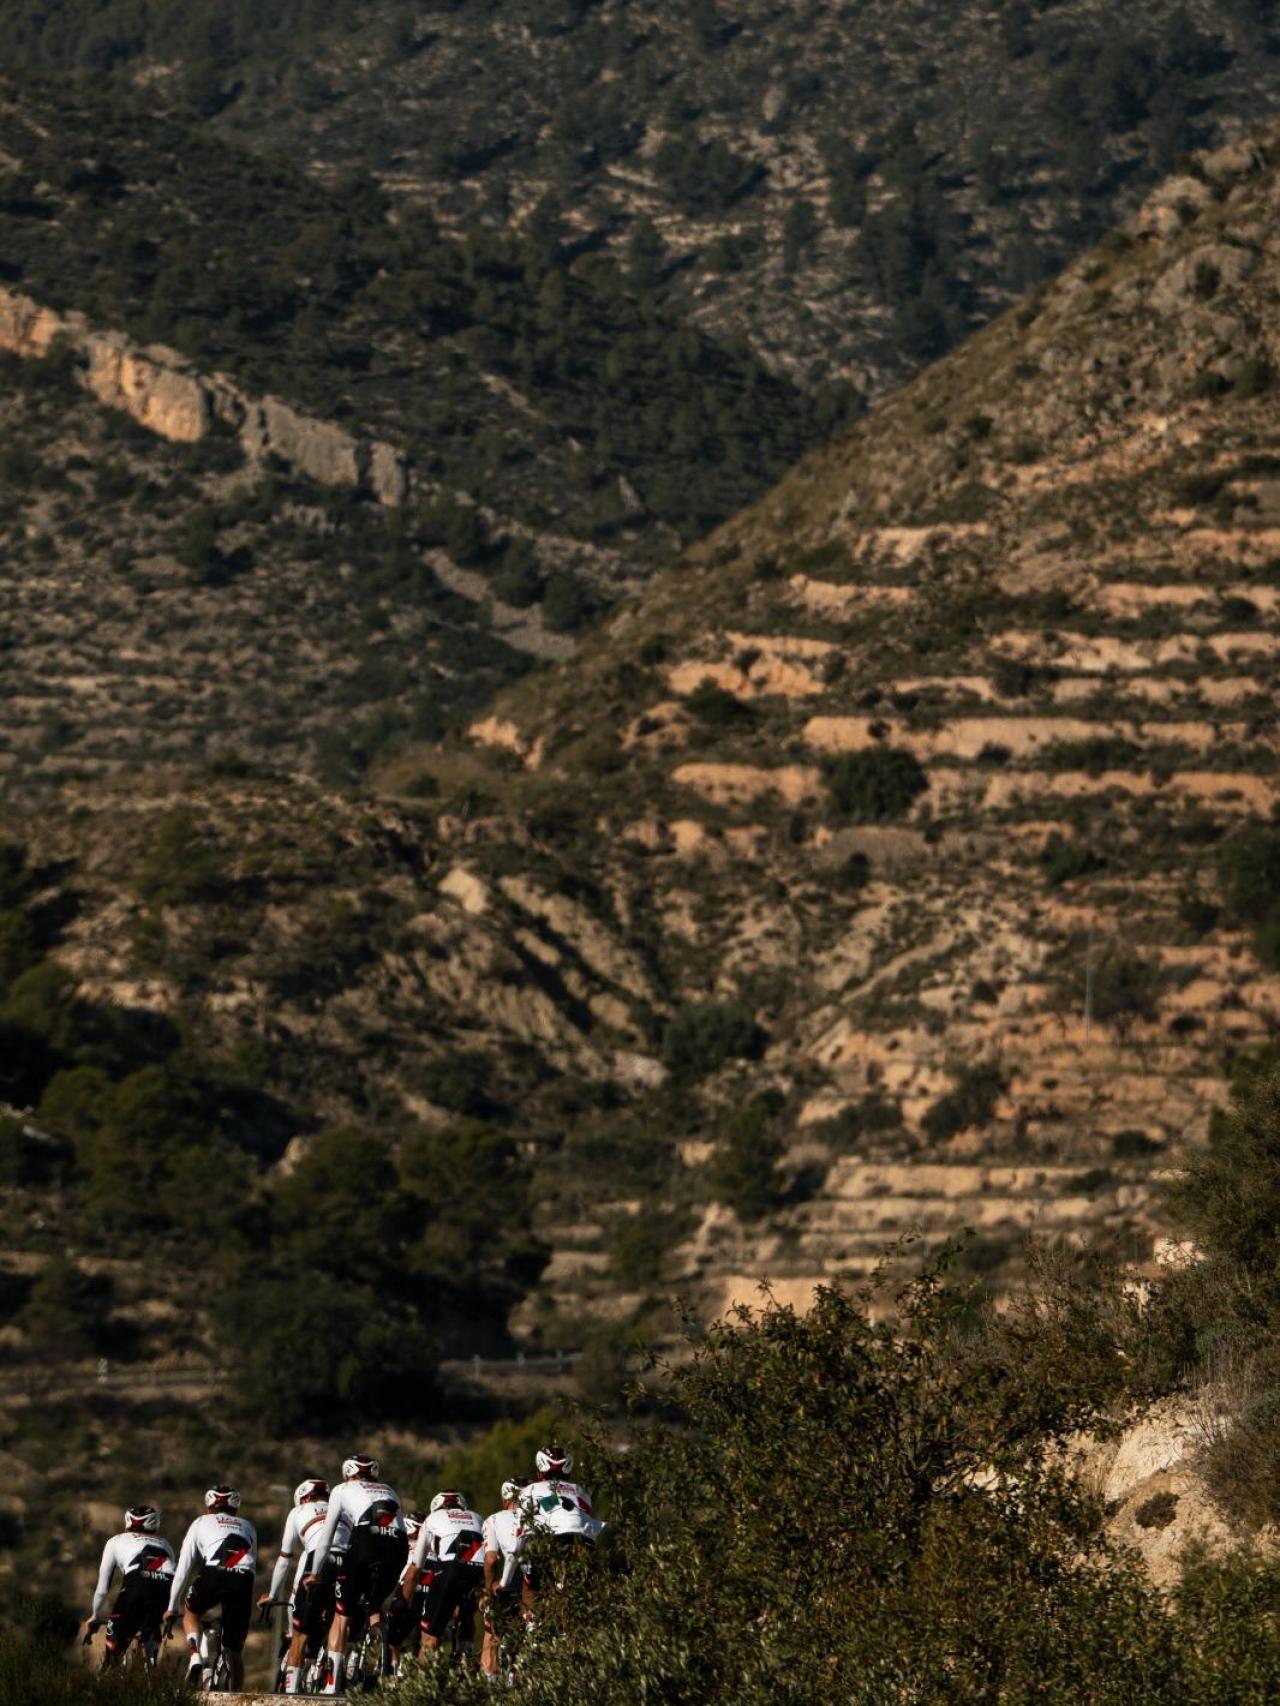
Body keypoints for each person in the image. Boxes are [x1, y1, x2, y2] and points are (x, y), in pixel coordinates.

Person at [305, 1452, 406, 1696]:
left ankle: (331, 1683)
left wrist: (314, 1572)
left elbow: (327, 1536)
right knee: (375, 1606)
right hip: (398, 1547)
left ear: (347, 1473)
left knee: (343, 1614)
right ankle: (385, 1664)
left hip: (366, 1540)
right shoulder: (390, 1490)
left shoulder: (341, 1489)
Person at [163, 1484, 258, 1691]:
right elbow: (252, 1564)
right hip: (244, 1580)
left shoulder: (200, 1522)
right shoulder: (248, 1526)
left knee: (192, 1611)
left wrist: (171, 1607)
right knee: (234, 1648)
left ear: (209, 1505)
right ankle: (236, 1697)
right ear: (236, 1506)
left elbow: (183, 1568)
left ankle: (195, 1655)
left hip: (213, 1573)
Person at [257, 1477, 330, 1696]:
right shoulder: (339, 1509)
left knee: (299, 1633)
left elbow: (285, 1560)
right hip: (345, 1564)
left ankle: (292, 1691)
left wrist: (271, 1594)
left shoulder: (298, 1513)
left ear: (303, 1498)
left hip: (314, 1570)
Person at [82, 1504, 175, 1671]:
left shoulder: (115, 1541)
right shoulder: (165, 1544)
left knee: (115, 1644)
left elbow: (103, 1589)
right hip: (166, 1591)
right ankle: (151, 1665)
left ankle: (110, 1671)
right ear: (155, 1523)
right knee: (152, 1630)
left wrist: (95, 1616)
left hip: (136, 1587)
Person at [402, 1490, 486, 1655]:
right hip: (478, 1570)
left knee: (429, 1637)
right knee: (466, 1615)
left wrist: (405, 1603)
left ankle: (422, 1680)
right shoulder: (477, 1517)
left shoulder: (432, 1519)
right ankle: (464, 1658)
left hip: (449, 1569)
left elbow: (414, 1570)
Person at [481, 1478, 530, 1682]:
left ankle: (490, 1686)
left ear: (504, 1500)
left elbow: (491, 1560)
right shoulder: (540, 1516)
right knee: (528, 1634)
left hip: (509, 1580)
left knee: (492, 1634)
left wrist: (488, 1590)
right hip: (538, 1579)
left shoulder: (494, 1519)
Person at [384, 1509, 427, 1673]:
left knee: (393, 1638)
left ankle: (395, 1672)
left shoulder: (403, 1544)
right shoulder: (430, 1546)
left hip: (405, 1590)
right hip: (427, 1594)